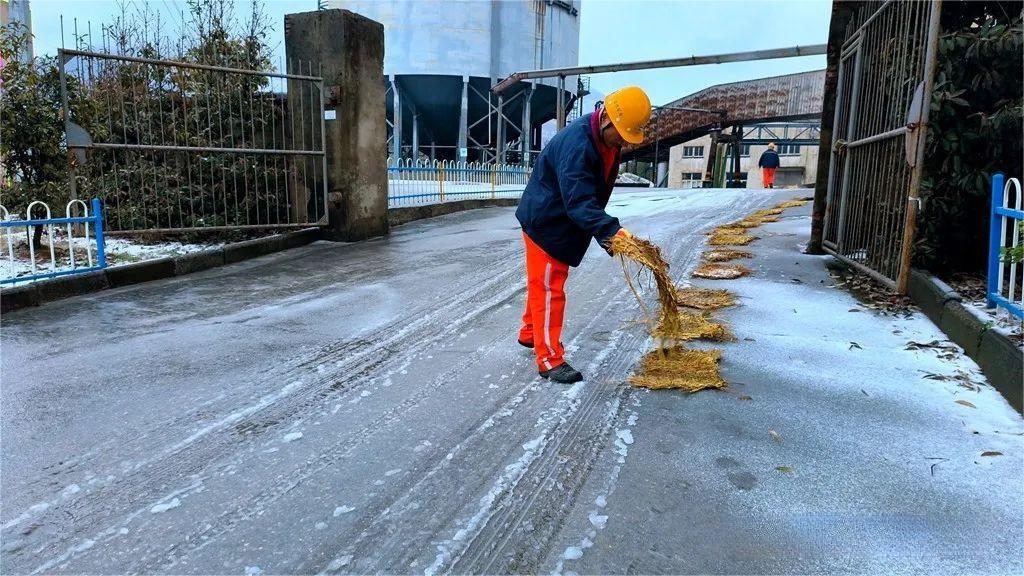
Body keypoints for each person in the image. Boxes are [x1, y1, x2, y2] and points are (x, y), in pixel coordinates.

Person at [515, 86, 652, 383]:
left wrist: (607, 232)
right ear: (607, 120)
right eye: (623, 136)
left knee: (542, 283)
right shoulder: (578, 144)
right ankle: (549, 359)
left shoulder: (606, 141)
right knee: (550, 288)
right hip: (547, 223)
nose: (624, 144)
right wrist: (612, 232)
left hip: (557, 217)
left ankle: (529, 332)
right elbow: (579, 201)